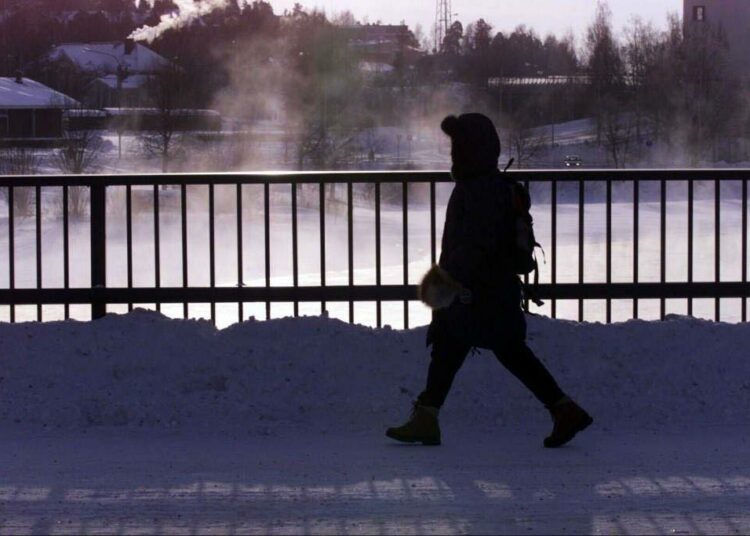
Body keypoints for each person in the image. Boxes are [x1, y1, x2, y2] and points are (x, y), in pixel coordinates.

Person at [386, 113, 592, 448]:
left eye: (459, 145)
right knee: (474, 348)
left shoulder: (476, 189)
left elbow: (472, 245)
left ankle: (428, 417)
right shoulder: (490, 184)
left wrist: (453, 284)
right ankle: (561, 409)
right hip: (492, 290)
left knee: (470, 346)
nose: (454, 152)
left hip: (475, 292)